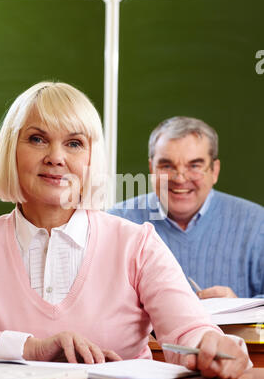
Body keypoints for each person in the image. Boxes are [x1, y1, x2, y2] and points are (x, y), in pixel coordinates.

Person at [0, 84, 250, 379]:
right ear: (11, 149)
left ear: (92, 157)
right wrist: (29, 348)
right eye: (37, 139)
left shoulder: (137, 244)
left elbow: (187, 330)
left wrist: (209, 345)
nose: (56, 157)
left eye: (74, 143)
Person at [108, 116, 264, 299]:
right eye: (167, 165)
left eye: (194, 166)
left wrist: (239, 312)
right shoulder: (116, 223)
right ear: (152, 169)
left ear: (214, 171)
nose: (180, 178)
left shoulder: (257, 225)